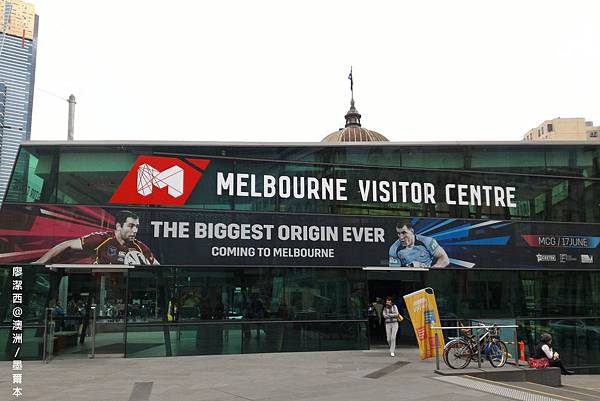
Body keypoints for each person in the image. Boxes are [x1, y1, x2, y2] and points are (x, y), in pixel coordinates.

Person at [33, 210, 159, 265]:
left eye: (136, 227)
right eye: (131, 226)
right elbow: (66, 244)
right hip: (99, 284)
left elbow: (157, 265)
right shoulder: (101, 239)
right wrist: (40, 262)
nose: (135, 230)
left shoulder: (139, 247)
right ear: (119, 226)